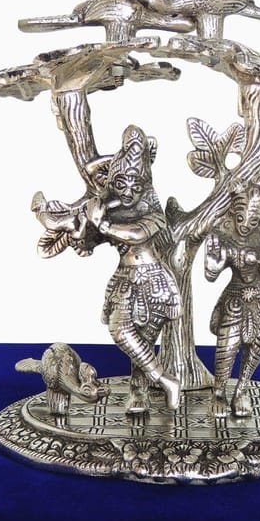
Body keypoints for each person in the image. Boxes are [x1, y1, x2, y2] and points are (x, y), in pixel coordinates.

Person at [86, 125, 182, 414]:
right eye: (121, 183)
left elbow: (136, 234)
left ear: (145, 186)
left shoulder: (152, 213)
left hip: (153, 280)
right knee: (122, 331)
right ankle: (165, 381)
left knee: (143, 339)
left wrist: (103, 223)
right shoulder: (113, 208)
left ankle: (140, 391)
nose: (128, 191)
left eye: (136, 186)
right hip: (124, 278)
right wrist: (93, 216)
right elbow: (90, 170)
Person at [205, 176, 260, 417]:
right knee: (227, 347)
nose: (245, 225)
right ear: (233, 213)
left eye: (252, 220)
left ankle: (242, 389)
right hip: (235, 298)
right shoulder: (224, 236)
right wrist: (216, 258)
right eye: (241, 218)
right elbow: (211, 273)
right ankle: (219, 391)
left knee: (255, 348)